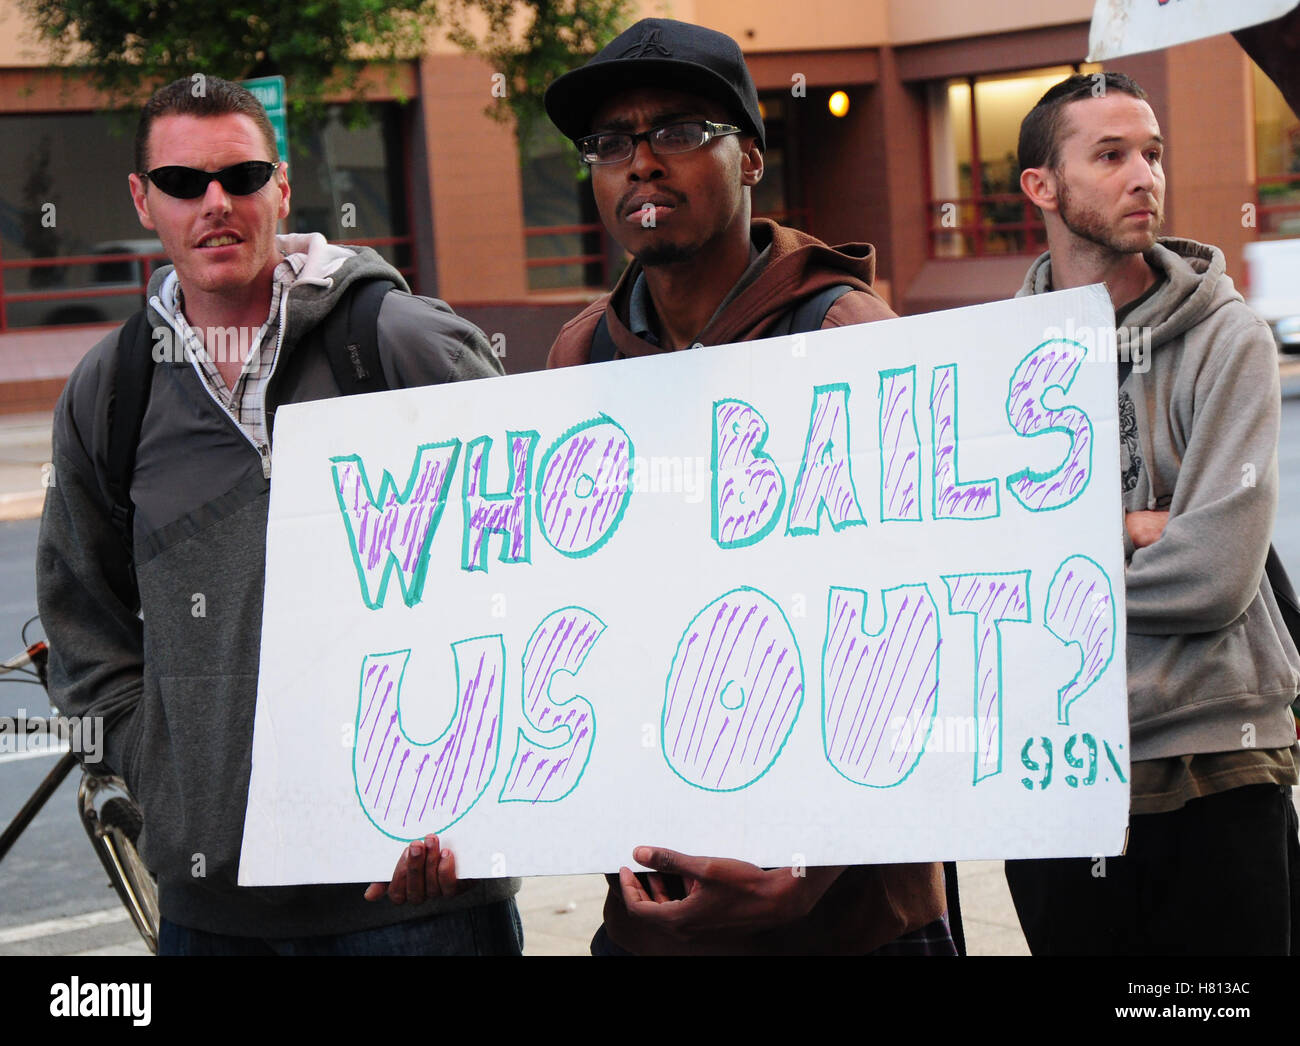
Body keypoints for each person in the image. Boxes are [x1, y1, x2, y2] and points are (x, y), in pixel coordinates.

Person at [35, 77, 521, 955]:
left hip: (424, 906)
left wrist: (473, 797)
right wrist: (169, 781)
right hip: (216, 918)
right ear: (143, 200)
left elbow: (529, 578)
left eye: (242, 176)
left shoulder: (404, 343)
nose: (215, 203)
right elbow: (84, 626)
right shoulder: (113, 393)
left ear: (283, 188)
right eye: (183, 183)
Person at [536, 17, 950, 955]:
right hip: (657, 911)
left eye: (679, 132)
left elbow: (923, 631)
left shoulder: (849, 338)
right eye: (610, 143)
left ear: (752, 158)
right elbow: (563, 619)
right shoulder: (577, 358)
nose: (640, 163)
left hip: (855, 918)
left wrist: (817, 863)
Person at [1004, 71, 1300, 955]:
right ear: (1042, 187)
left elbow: (1213, 575)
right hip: (1050, 773)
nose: (1146, 175)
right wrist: (1132, 528)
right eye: (1111, 154)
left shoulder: (1227, 337)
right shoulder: (996, 356)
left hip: (1216, 763)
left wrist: (1060, 557)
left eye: (1153, 152)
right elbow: (980, 575)